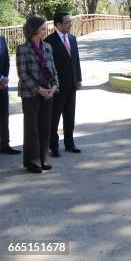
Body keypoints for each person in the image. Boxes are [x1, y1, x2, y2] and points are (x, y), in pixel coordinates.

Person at [17, 16, 59, 173]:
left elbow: (53, 70)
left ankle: (43, 159)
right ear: (34, 30)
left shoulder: (47, 47)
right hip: (30, 94)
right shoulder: (22, 49)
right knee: (32, 129)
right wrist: (38, 89)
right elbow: (23, 75)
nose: (45, 30)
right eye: (42, 28)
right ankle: (32, 162)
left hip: (47, 91)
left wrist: (54, 86)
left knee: (45, 127)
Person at [45, 11, 83, 157]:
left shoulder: (73, 39)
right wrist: (52, 85)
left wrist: (78, 79)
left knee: (70, 117)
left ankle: (70, 143)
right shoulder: (49, 41)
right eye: (67, 22)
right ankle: (53, 146)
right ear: (58, 24)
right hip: (57, 87)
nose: (70, 24)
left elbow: (76, 61)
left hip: (72, 85)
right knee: (54, 118)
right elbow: (48, 67)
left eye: (70, 21)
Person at [0, 35, 20, 154]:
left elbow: (7, 60)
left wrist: (5, 78)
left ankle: (4, 144)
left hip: (3, 85)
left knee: (4, 115)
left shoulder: (1, 39)